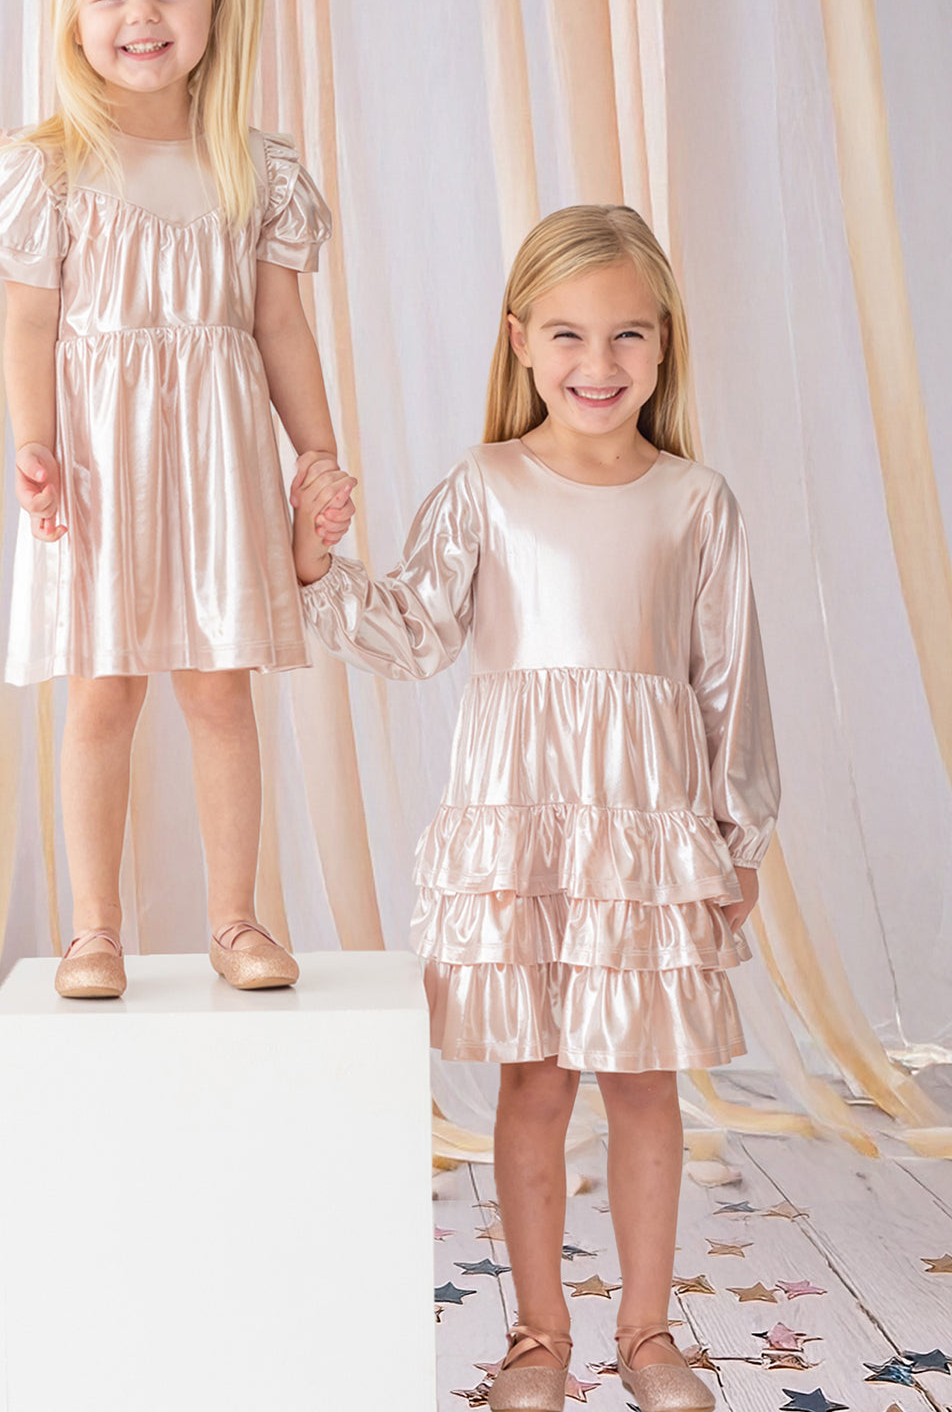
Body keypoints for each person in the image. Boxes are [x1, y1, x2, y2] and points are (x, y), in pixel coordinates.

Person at [292, 206, 779, 1412]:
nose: (597, 364)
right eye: (567, 334)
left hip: (646, 836)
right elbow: (413, 631)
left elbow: (731, 683)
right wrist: (315, 565)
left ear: (666, 345)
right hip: (521, 824)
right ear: (519, 340)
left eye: (626, 336)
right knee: (535, 1079)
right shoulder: (487, 485)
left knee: (644, 1082)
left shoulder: (694, 500)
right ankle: (537, 1331)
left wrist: (737, 833)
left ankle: (652, 1329)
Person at [0, 0, 352, 999]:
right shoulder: (49, 165)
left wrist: (315, 455)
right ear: (73, 13)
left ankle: (236, 920)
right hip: (98, 463)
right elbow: (30, 323)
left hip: (217, 458)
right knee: (101, 691)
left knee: (218, 688)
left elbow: (280, 323)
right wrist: (35, 444)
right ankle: (95, 930)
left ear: (214, 5)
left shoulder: (253, 165)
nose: (141, 15)